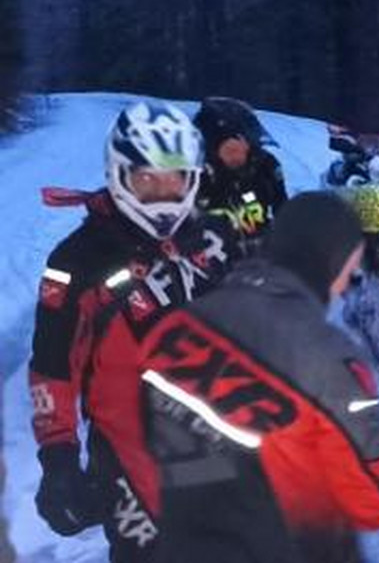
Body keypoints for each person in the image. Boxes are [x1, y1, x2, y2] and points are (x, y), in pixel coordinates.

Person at [141, 191, 379, 563]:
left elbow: (142, 449)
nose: (349, 281)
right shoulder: (325, 355)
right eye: (351, 266)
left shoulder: (175, 328)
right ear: (333, 262)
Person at [29, 99, 235, 561]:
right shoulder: (75, 260)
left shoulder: (216, 240)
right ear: (119, 175)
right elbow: (51, 367)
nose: (164, 193)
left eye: (175, 179)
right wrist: (58, 458)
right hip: (129, 460)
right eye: (147, 180)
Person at [192, 96, 287, 252]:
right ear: (210, 150)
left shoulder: (264, 166)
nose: (241, 156)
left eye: (247, 147)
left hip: (259, 258)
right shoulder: (194, 178)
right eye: (232, 150)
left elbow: (284, 213)